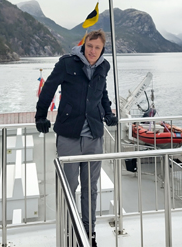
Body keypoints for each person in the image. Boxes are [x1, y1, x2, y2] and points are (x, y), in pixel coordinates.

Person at [35, 29, 118, 247]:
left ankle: (88, 235)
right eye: (90, 46)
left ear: (102, 49)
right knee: (68, 188)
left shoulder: (103, 67)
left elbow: (103, 94)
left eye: (97, 48)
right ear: (84, 45)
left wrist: (108, 113)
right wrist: (40, 115)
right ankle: (70, 232)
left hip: (94, 137)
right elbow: (48, 89)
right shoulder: (67, 63)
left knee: (90, 190)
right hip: (69, 137)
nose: (93, 51)